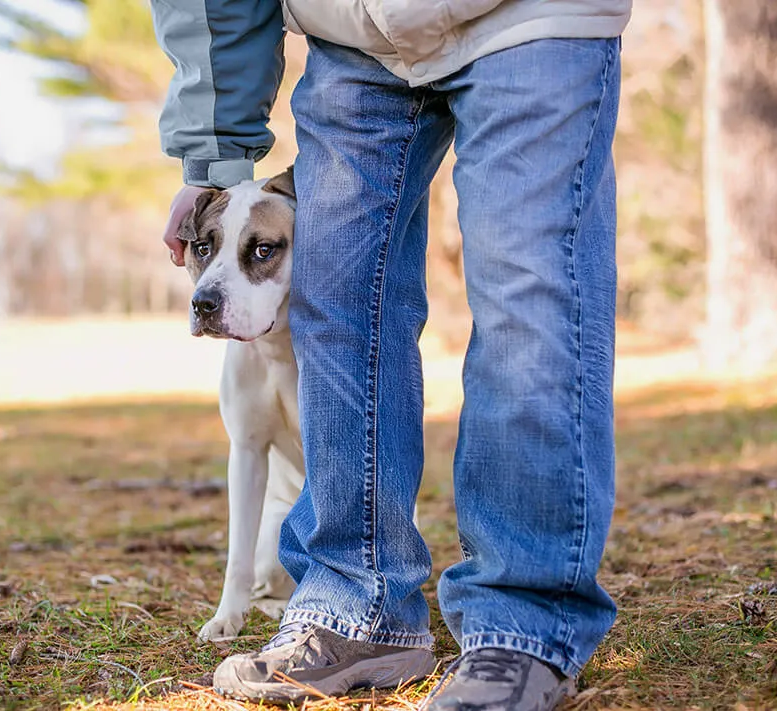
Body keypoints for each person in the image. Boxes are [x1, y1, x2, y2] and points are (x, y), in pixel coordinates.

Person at [150, 1, 631, 708]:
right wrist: (215, 147)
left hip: (532, 16)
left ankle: (524, 622)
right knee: (335, 304)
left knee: (528, 296)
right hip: (352, 38)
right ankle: (357, 603)